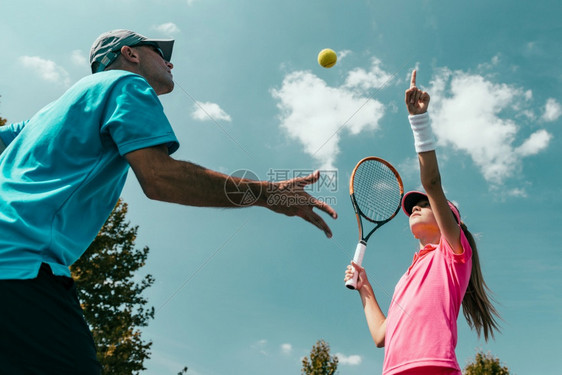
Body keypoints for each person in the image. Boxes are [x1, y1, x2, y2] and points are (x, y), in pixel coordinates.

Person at [0, 29, 337, 373]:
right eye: (159, 51)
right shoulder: (125, 85)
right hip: (19, 270)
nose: (169, 60)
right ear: (130, 54)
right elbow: (160, 178)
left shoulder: (44, 116)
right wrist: (268, 194)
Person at [344, 70, 500, 375]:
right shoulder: (408, 276)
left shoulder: (454, 254)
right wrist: (365, 289)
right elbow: (382, 335)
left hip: (434, 367)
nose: (415, 207)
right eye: (413, 206)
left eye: (424, 204)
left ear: (448, 220)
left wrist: (419, 122)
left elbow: (431, 181)